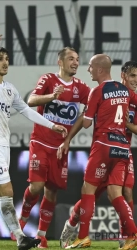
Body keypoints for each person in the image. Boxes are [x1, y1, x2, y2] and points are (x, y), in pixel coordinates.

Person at [0, 29, 68, 250]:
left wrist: (52, 125)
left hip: (2, 146)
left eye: (7, 59)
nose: (5, 63)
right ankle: (20, 237)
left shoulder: (10, 90)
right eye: (0, 59)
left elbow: (28, 111)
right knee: (7, 191)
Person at [12, 47, 91, 248]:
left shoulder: (81, 88)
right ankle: (21, 221)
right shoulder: (48, 80)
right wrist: (51, 97)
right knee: (36, 186)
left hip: (60, 147)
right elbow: (30, 101)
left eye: (77, 59)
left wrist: (68, 139)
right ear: (60, 62)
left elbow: (90, 109)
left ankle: (41, 236)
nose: (75, 62)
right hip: (40, 141)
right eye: (71, 59)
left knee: (52, 191)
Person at [61, 55, 137, 250]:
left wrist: (89, 111)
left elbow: (86, 123)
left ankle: (83, 236)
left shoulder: (98, 91)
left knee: (88, 191)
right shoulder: (126, 92)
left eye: (90, 67)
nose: (88, 70)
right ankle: (132, 234)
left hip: (103, 145)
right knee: (116, 193)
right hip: (122, 148)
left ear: (100, 69)